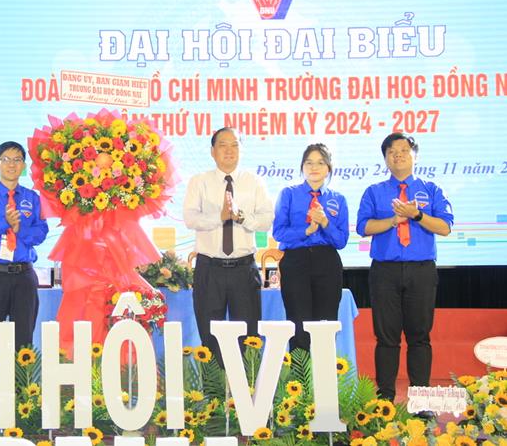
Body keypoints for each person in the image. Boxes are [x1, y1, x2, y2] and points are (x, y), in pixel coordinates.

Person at [357, 133, 453, 402]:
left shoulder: (431, 189)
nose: (397, 155)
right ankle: (385, 400)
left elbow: (445, 227)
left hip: (421, 271)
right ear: (385, 159)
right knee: (386, 338)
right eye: (391, 151)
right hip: (384, 272)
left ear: (415, 156)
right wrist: (393, 220)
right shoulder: (374, 191)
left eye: (403, 150)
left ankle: (420, 399)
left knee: (419, 337)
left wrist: (416, 215)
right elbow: (363, 227)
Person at [183, 127, 274, 365]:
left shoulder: (254, 182)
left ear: (241, 150)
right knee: (209, 337)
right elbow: (190, 218)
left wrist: (241, 217)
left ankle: (246, 386)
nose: (229, 150)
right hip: (209, 268)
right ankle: (213, 387)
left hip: (244, 269)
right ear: (212, 151)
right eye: (222, 145)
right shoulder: (199, 181)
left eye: (234, 145)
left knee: (248, 336)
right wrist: (220, 217)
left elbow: (266, 220)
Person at [0, 141, 49, 352]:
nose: (11, 164)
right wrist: (4, 223)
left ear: (23, 166)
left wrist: (19, 228)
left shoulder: (33, 198)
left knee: (24, 340)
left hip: (24, 276)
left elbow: (41, 233)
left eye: (17, 160)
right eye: (5, 159)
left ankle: (22, 375)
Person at [273, 143, 349, 353]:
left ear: (328, 168)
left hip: (327, 262)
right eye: (309, 163)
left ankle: (323, 373)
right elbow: (279, 233)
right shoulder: (288, 194)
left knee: (325, 325)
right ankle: (300, 373)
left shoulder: (338, 199)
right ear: (302, 167)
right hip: (296, 261)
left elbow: (341, 241)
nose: (314, 168)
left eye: (320, 163)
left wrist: (325, 223)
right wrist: (306, 231)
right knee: (298, 324)